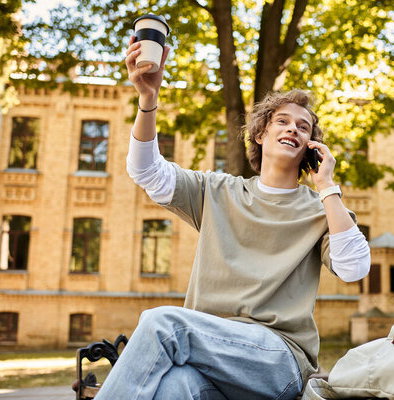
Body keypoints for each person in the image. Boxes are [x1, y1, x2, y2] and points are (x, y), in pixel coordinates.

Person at [94, 35, 370, 400]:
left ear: (311, 147)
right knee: (175, 388)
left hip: (277, 359)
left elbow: (355, 268)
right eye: (283, 121)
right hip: (205, 352)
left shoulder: (322, 209)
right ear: (260, 133)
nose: (292, 129)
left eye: (303, 127)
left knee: (162, 323)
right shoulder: (218, 191)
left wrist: (328, 186)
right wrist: (148, 100)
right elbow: (147, 172)